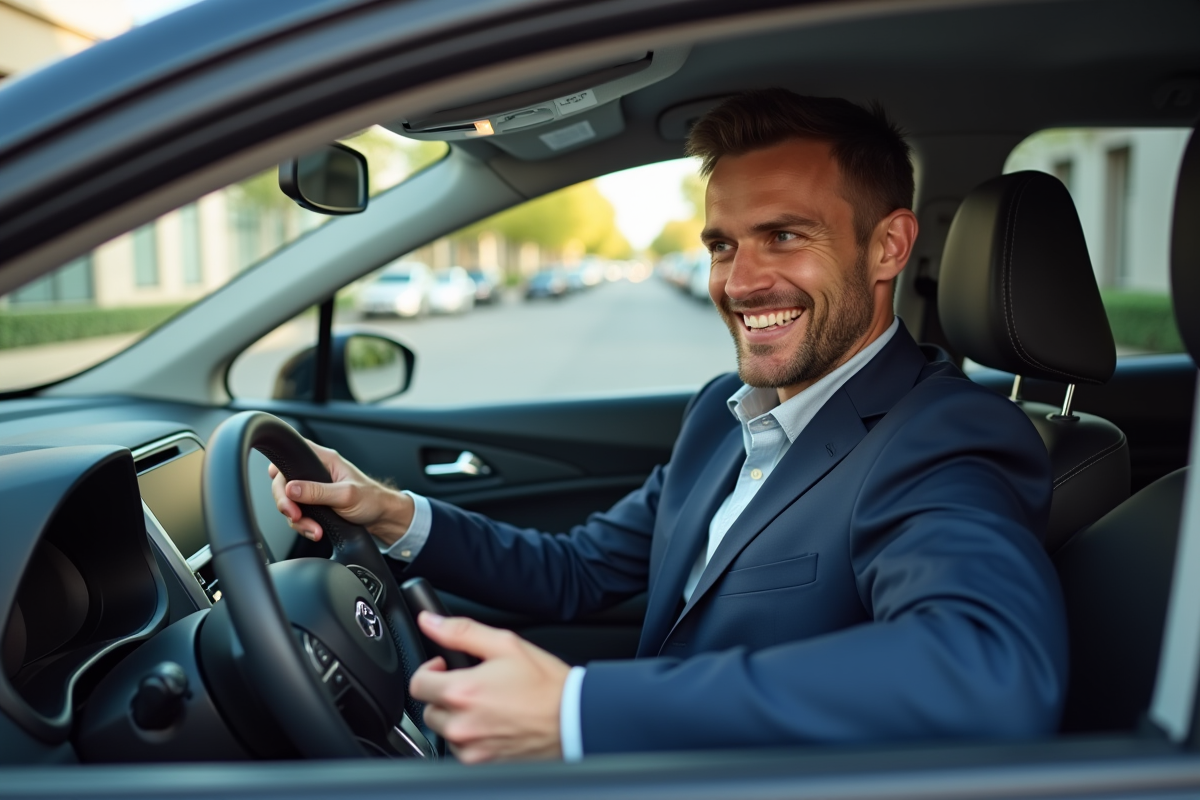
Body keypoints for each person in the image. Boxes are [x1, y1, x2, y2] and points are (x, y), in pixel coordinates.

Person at [271, 89, 1067, 764]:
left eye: (785, 236)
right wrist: (390, 511)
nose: (741, 282)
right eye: (723, 245)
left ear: (888, 246)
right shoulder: (723, 415)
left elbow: (986, 671)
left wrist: (578, 712)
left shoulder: (946, 432)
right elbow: (578, 571)